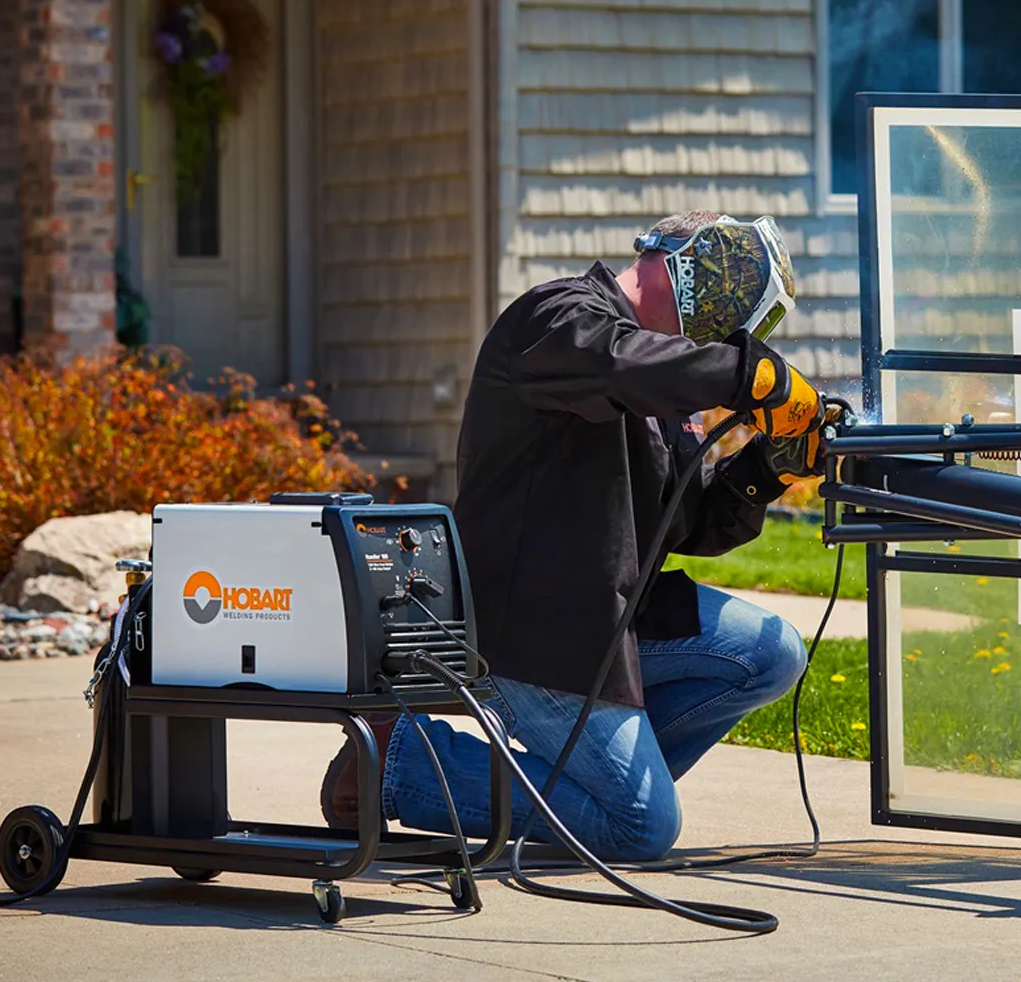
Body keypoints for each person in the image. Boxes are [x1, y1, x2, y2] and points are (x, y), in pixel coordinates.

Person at [321, 211, 832, 861]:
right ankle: (394, 764)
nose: (724, 339)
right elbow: (621, 366)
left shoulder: (659, 380)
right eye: (727, 322)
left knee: (772, 652)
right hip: (530, 632)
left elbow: (691, 521)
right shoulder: (558, 317)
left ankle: (584, 800)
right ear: (701, 280)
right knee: (641, 830)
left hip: (607, 623)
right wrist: (749, 377)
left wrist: (772, 465)